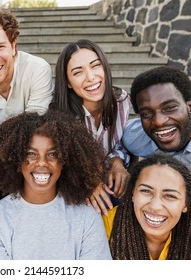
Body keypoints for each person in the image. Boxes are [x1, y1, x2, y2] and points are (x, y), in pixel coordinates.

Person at [0, 111, 112, 260]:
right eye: (31, 153)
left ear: (66, 160)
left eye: (52, 154)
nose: (42, 162)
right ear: (16, 159)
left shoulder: (87, 216)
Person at [49, 39, 131, 215]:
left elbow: (117, 144)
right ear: (68, 82)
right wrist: (87, 181)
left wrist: (117, 162)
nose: (91, 77)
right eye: (78, 72)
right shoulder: (59, 116)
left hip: (105, 175)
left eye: (95, 66)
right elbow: (57, 163)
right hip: (71, 182)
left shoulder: (121, 101)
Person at [102, 155, 191, 259]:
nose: (155, 206)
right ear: (133, 194)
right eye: (146, 191)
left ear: (185, 204)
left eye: (170, 196)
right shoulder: (106, 225)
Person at [122, 66, 191, 194]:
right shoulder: (135, 136)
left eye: (170, 108)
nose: (158, 121)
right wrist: (117, 163)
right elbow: (115, 140)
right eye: (147, 114)